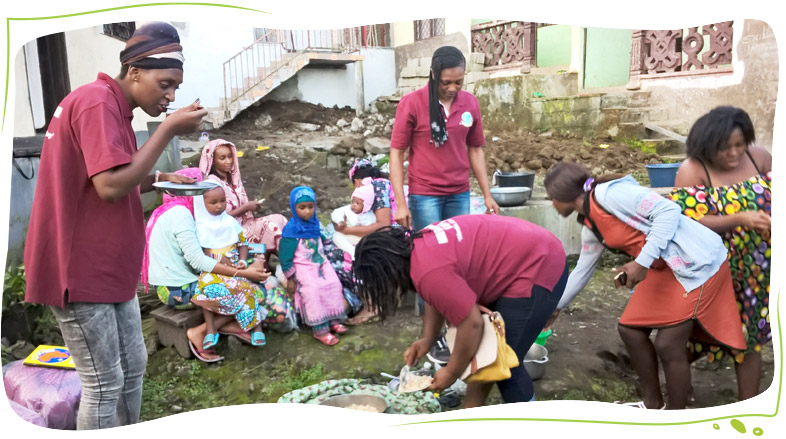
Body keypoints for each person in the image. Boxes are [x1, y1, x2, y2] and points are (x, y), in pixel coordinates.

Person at [22, 22, 207, 429]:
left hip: (106, 268)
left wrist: (159, 180)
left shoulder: (116, 109)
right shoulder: (95, 102)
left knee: (132, 367)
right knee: (104, 383)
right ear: (135, 71)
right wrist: (168, 129)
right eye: (165, 83)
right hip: (80, 268)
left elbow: (110, 178)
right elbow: (108, 187)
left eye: (175, 86)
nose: (170, 96)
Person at [543, 162, 747, 410]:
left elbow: (669, 212)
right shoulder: (591, 228)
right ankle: (653, 403)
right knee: (630, 329)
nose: (552, 204)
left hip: (695, 264)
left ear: (564, 194)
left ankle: (676, 416)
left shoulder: (610, 195)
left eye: (552, 198)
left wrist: (641, 263)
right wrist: (555, 307)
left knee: (667, 343)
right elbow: (582, 270)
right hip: (663, 268)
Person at [352, 215, 568, 407]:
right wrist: (427, 339)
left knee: (505, 363)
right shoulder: (418, 248)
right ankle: (470, 415)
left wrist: (451, 372)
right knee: (485, 350)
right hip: (525, 252)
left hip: (539, 263)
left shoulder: (429, 271)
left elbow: (471, 324)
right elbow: (435, 295)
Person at [671, 106, 772, 400]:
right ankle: (675, 385)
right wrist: (740, 219)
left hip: (759, 268)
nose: (734, 153)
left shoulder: (760, 157)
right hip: (715, 268)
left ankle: (748, 407)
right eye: (724, 148)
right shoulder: (693, 169)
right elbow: (687, 220)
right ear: (706, 146)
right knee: (702, 332)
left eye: (740, 145)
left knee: (750, 337)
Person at [143, 168, 270, 362]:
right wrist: (240, 273)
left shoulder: (168, 210)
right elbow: (198, 261)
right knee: (254, 291)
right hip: (179, 290)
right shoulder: (181, 215)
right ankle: (201, 332)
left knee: (232, 284)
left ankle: (229, 327)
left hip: (173, 284)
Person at [389, 45, 499, 234]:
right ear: (433, 74)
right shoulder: (412, 103)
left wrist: (487, 195)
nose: (452, 88)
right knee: (431, 251)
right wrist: (401, 203)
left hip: (460, 193)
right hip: (425, 196)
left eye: (458, 82)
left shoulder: (470, 103)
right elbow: (397, 153)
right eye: (446, 82)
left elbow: (475, 149)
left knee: (458, 249)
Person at [192, 186, 267, 348]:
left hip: (235, 265)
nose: (219, 205)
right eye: (213, 202)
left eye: (222, 201)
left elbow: (243, 243)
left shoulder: (230, 222)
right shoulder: (198, 228)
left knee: (247, 287)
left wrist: (242, 260)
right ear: (201, 204)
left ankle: (256, 327)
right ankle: (211, 330)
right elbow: (200, 254)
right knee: (205, 289)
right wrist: (217, 259)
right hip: (212, 268)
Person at [279, 186, 349, 346]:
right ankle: (320, 329)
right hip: (303, 268)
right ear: (294, 208)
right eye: (302, 208)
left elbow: (323, 238)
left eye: (311, 207)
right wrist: (290, 277)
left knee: (333, 284)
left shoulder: (314, 224)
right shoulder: (291, 231)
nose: (307, 211)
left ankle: (333, 320)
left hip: (320, 263)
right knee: (313, 291)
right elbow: (285, 257)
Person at [198, 138, 287, 262]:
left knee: (279, 219)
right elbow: (216, 216)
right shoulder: (212, 183)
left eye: (230, 156)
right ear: (213, 161)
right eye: (222, 158)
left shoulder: (232, 179)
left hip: (241, 225)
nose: (228, 161)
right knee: (272, 225)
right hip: (227, 232)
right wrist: (245, 208)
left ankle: (277, 262)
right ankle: (287, 265)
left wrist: (252, 206)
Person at [331, 184, 378, 257]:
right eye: (352, 202)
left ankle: (362, 251)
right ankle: (352, 250)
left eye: (357, 203)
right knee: (336, 236)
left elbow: (372, 229)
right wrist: (340, 221)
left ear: (366, 205)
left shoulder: (371, 215)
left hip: (361, 239)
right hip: (347, 236)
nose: (354, 205)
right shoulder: (347, 209)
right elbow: (336, 213)